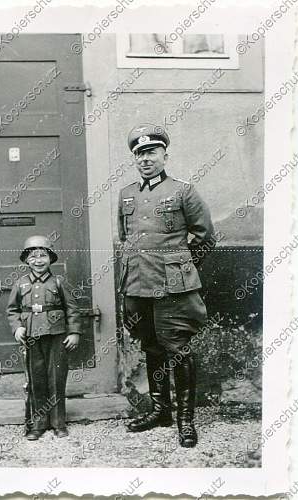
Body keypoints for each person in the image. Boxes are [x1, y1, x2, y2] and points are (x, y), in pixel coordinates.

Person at [117, 123, 216, 448]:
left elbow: (204, 237)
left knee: (178, 348)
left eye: (151, 152)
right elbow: (126, 238)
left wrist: (181, 267)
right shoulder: (126, 193)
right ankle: (160, 411)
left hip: (173, 287)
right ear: (135, 158)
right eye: (140, 153)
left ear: (164, 155)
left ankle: (185, 421)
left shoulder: (183, 190)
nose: (145, 158)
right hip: (137, 285)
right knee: (151, 346)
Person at [6, 235, 82, 440]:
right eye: (33, 257)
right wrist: (17, 328)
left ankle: (59, 423)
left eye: (43, 256)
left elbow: (72, 310)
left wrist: (74, 332)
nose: (38, 261)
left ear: (50, 258)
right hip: (31, 337)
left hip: (56, 337)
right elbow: (12, 310)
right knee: (36, 379)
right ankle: (38, 424)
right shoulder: (20, 284)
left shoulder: (59, 282)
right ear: (26, 260)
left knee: (56, 379)